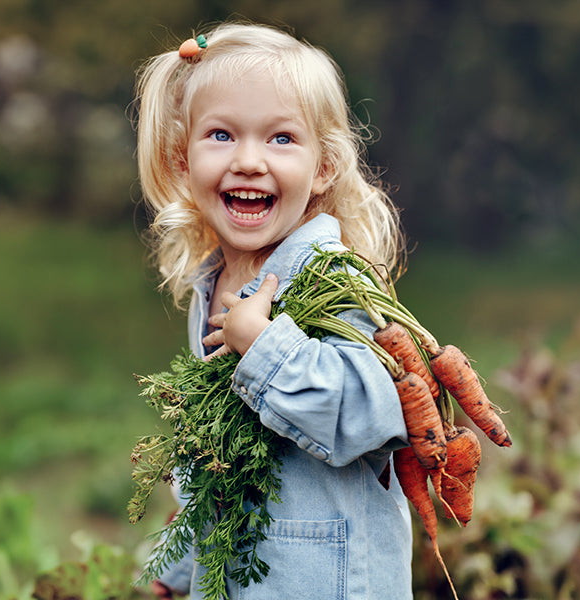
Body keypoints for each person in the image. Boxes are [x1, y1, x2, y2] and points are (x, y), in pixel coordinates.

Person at [134, 22, 412, 600]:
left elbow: (375, 416)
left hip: (329, 581)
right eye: (221, 135)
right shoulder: (212, 281)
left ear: (324, 167)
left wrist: (264, 345)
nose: (249, 161)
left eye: (281, 139)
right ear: (181, 160)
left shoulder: (334, 282)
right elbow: (212, 455)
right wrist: (177, 570)